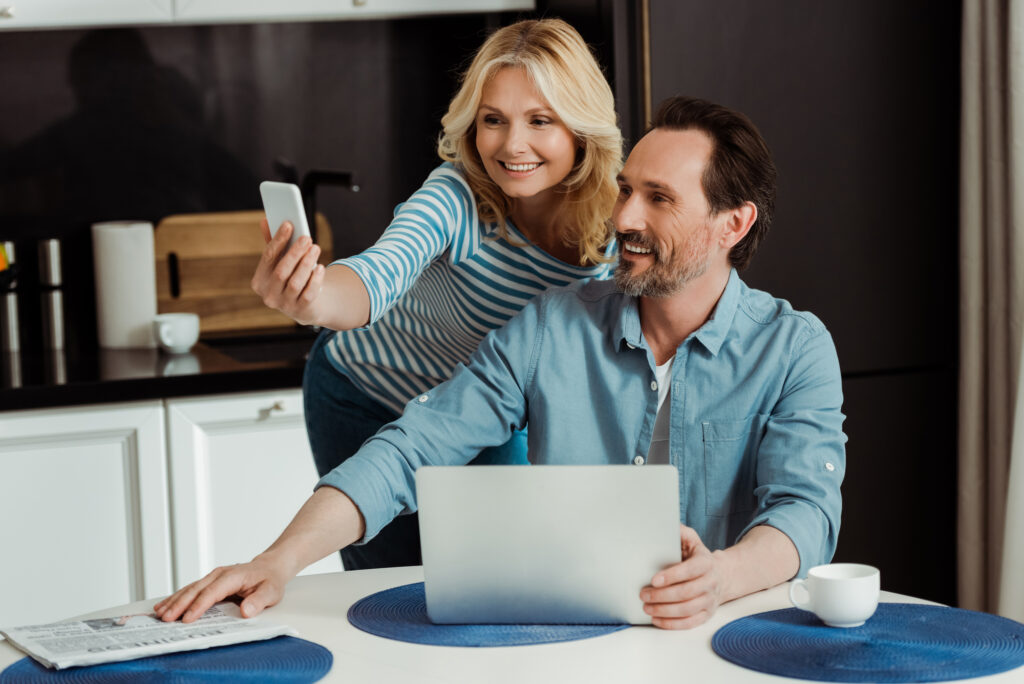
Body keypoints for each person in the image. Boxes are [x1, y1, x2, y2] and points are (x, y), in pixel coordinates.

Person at [156, 95, 846, 630]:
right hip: (573, 639)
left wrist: (719, 578)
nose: (625, 216)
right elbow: (408, 449)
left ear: (734, 224)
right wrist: (275, 564)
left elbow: (805, 513)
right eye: (626, 189)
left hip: (722, 638)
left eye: (659, 199)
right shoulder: (552, 326)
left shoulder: (795, 349)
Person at [249, 18, 622, 570]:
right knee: (386, 588)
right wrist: (313, 296)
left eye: (540, 120)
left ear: (581, 130)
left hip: (481, 417)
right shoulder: (457, 195)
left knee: (499, 581)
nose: (512, 144)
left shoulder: (616, 230)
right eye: (493, 120)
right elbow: (377, 274)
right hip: (363, 395)